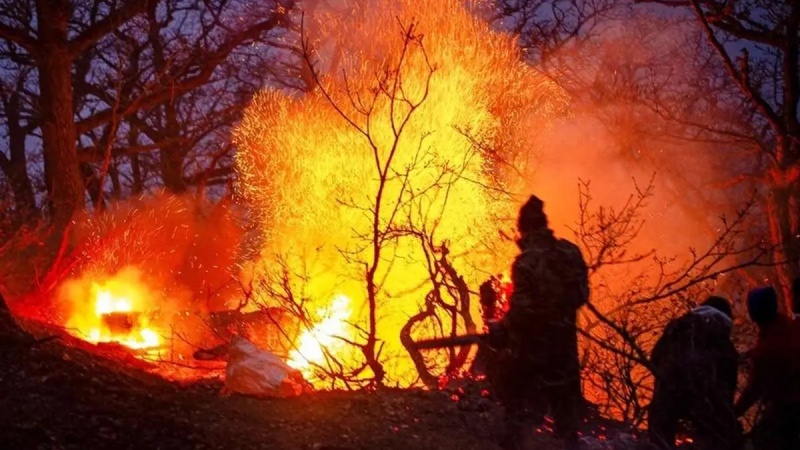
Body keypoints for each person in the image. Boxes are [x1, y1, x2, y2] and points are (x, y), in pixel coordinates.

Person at [492, 195, 589, 450]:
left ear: (524, 229)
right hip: (565, 350)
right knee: (566, 420)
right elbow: (581, 296)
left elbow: (522, 311)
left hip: (533, 351)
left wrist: (502, 327)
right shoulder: (570, 252)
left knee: (518, 412)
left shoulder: (526, 262)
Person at [647, 296, 741, 450]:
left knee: (659, 435)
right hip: (704, 400)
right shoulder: (725, 345)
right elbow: (728, 386)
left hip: (668, 394)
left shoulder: (676, 329)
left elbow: (655, 358)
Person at [735, 286, 800, 450]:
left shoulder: (766, 353)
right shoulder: (789, 325)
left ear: (752, 314)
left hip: (788, 413)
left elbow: (753, 391)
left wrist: (732, 414)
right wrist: (748, 354)